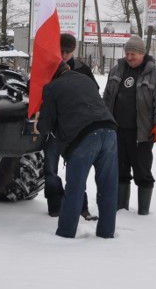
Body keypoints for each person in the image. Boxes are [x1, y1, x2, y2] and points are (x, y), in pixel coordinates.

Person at [37, 62, 118, 238]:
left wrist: (38, 124)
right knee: (108, 187)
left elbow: (46, 124)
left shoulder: (52, 87)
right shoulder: (86, 79)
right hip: (109, 131)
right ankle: (107, 233)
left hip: (84, 137)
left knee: (75, 188)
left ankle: (66, 234)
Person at [103, 35, 156, 215]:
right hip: (117, 131)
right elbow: (107, 98)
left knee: (142, 171)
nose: (129, 57)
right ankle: (120, 209)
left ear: (142, 54)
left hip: (142, 134)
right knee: (120, 170)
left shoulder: (155, 74)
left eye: (133, 54)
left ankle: (143, 212)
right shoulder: (117, 70)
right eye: (127, 53)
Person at [42, 33, 98, 220]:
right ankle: (55, 206)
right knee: (50, 168)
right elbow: (35, 90)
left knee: (78, 169)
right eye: (61, 51)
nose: (64, 55)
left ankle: (81, 206)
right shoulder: (47, 68)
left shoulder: (83, 70)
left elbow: (93, 94)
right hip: (54, 127)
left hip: (76, 129)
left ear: (74, 50)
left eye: (68, 51)